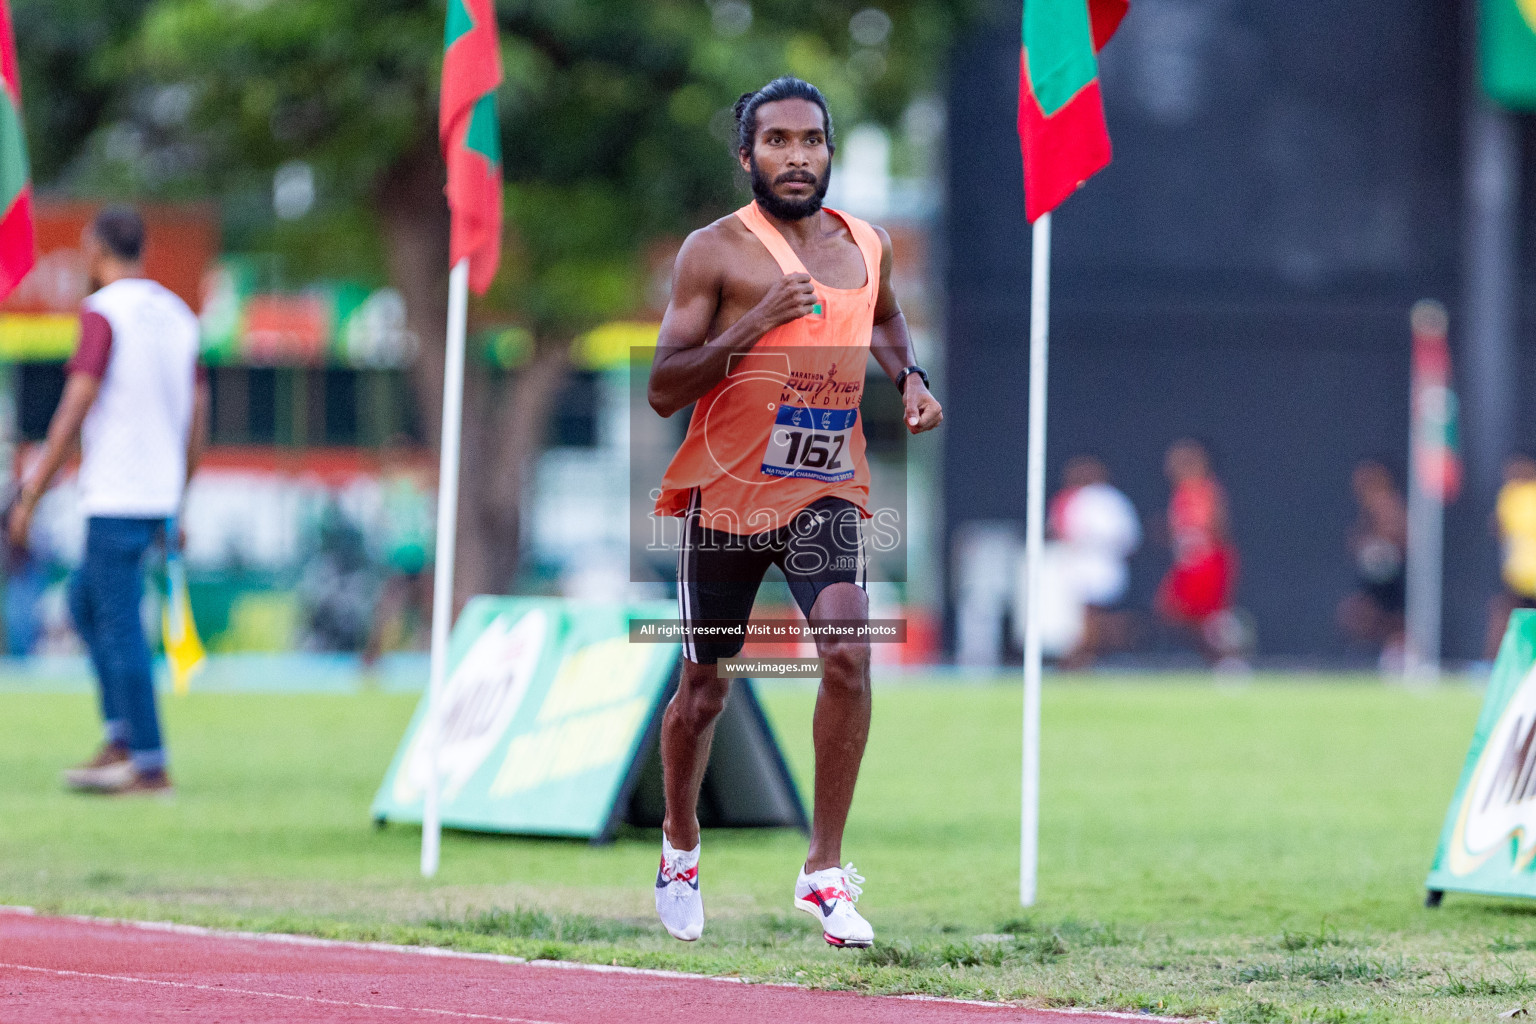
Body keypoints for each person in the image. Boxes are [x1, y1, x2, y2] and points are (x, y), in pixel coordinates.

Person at [646, 77, 941, 948]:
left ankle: (822, 871)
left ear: (830, 150)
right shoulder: (716, 253)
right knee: (703, 691)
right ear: (747, 157)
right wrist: (754, 324)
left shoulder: (867, 245)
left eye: (811, 140)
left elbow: (884, 322)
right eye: (776, 141)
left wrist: (912, 379)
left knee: (848, 646)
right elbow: (665, 386)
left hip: (825, 487)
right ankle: (680, 844)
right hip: (728, 494)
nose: (797, 155)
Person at [7, 206, 208, 796]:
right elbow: (198, 415)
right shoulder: (178, 315)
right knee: (87, 603)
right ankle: (123, 738)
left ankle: (148, 762)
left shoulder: (102, 313)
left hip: (117, 492)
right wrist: (182, 497)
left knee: (117, 623)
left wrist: (32, 492)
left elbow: (76, 405)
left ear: (95, 250)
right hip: (157, 494)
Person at [1155, 439, 1246, 666]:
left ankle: (1232, 657)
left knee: (1213, 615)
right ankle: (1215, 657)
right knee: (1175, 610)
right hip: (1189, 562)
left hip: (1208, 559)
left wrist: (1198, 541)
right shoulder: (1181, 494)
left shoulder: (1207, 490)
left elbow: (1218, 527)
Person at [1049, 455, 1140, 670]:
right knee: (1080, 617)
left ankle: (1081, 658)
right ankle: (1081, 656)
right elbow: (1057, 532)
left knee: (1094, 616)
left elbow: (1128, 538)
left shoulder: (1111, 500)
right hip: (1074, 567)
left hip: (1103, 567)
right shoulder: (1072, 499)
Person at [1336, 460, 1407, 670]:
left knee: (1394, 624)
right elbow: (1356, 543)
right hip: (1373, 582)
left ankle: (1399, 661)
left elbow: (1402, 539)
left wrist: (1383, 548)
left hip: (1395, 580)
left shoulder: (1389, 506)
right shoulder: (1366, 512)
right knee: (1354, 615)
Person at [1488, 453, 1536, 659]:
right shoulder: (1513, 494)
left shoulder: (1514, 494)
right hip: (1519, 576)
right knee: (1504, 615)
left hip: (1522, 574)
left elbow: (1497, 528)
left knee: (1504, 616)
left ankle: (1493, 662)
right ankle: (1495, 661)